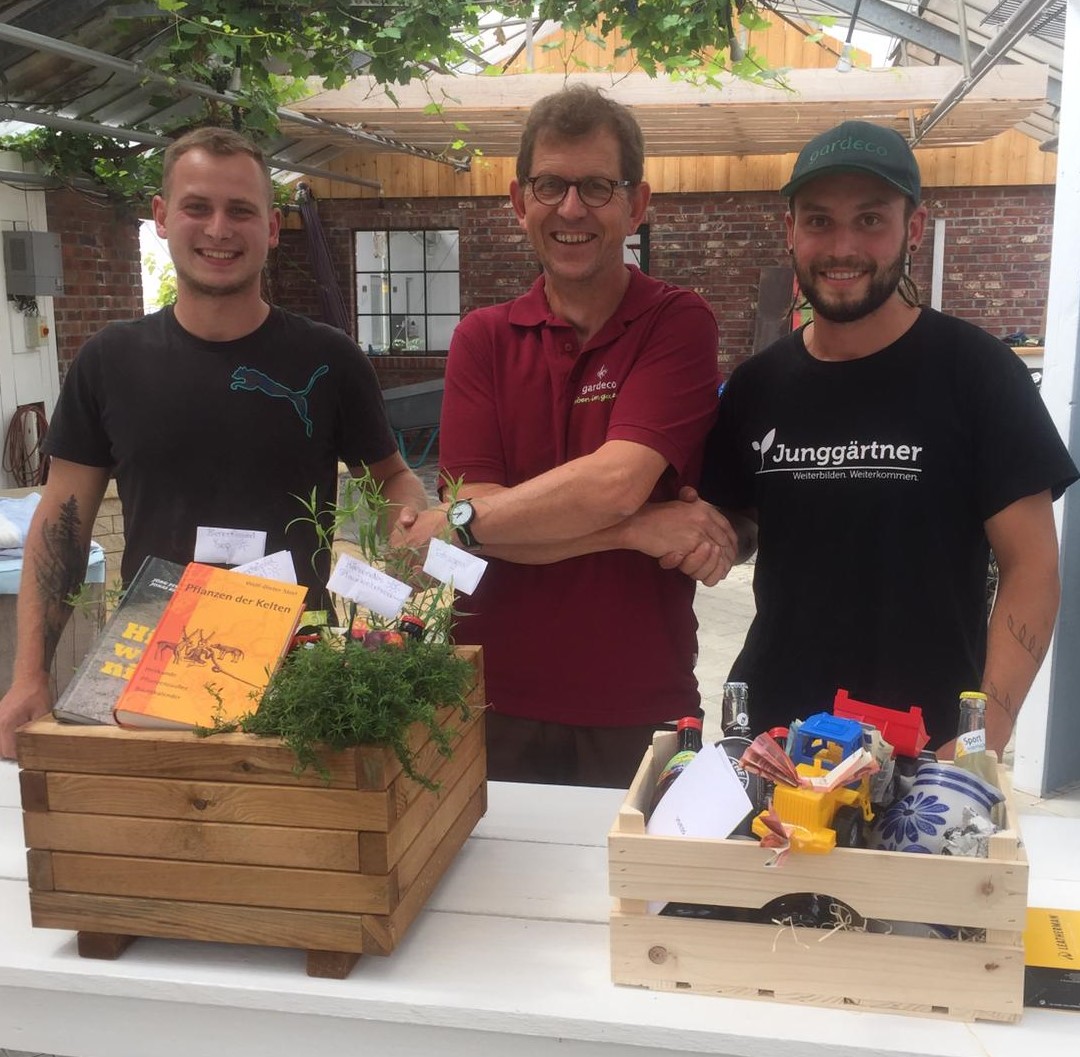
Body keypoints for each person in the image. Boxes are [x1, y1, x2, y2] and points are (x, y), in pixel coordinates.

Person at [0, 126, 427, 759]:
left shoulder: (329, 359)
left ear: (272, 228)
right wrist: (29, 676)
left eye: (241, 210)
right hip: (150, 672)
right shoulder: (110, 361)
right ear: (161, 217)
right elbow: (62, 523)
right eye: (197, 207)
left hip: (300, 675)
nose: (219, 229)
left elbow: (392, 477)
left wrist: (409, 530)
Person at [395, 85, 741, 788]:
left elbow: (611, 484)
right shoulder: (482, 338)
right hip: (487, 696)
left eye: (597, 187)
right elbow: (484, 518)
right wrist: (636, 529)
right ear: (520, 201)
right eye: (550, 185)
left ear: (636, 204)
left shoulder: (677, 323)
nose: (572, 209)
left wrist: (462, 522)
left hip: (638, 703)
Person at [697, 119, 1078, 755]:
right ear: (790, 230)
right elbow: (742, 525)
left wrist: (982, 737)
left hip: (927, 747)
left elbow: (1032, 568)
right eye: (819, 221)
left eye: (870, 219)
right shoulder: (758, 385)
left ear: (914, 228)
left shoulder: (979, 374)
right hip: (779, 740)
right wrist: (709, 537)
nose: (842, 246)